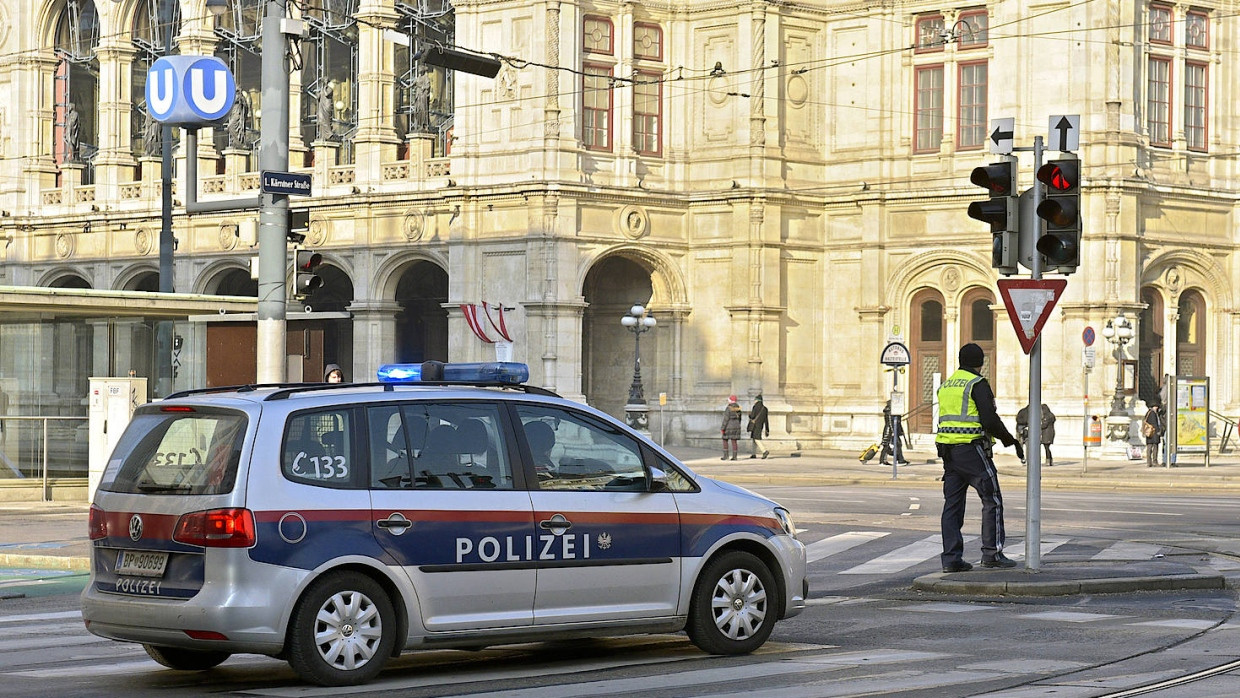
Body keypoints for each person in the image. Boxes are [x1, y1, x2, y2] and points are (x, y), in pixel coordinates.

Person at [936, 343, 1024, 573]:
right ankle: (992, 554)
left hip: (948, 452)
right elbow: (989, 419)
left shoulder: (946, 385)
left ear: (960, 360)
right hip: (971, 450)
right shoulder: (977, 383)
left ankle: (951, 559)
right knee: (992, 499)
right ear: (981, 362)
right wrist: (1010, 441)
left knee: (952, 506)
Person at [1015, 403, 1057, 467]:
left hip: (1045, 434)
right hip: (1047, 434)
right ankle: (1048, 460)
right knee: (1044, 447)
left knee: (1045, 447)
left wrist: (1035, 426)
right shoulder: (1050, 415)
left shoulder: (1047, 416)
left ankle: (1047, 460)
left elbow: (1044, 425)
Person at [879, 399, 908, 466]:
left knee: (896, 445)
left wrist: (900, 431)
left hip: (892, 431)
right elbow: (890, 423)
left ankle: (900, 459)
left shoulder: (893, 411)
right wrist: (893, 432)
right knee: (888, 445)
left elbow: (898, 422)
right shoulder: (890, 412)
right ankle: (897, 460)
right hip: (890, 431)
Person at [747, 394, 770, 459]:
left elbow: (752, 416)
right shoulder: (765, 408)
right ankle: (753, 453)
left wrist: (749, 415)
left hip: (755, 425)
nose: (754, 401)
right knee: (754, 439)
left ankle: (764, 451)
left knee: (757, 439)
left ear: (757, 400)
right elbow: (766, 420)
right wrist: (767, 429)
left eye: (755, 399)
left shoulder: (755, 407)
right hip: (760, 425)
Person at [1143, 401, 1165, 467]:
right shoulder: (1153, 413)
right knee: (1155, 447)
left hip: (1150, 432)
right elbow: (1154, 423)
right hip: (1154, 432)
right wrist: (1159, 431)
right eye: (1156, 406)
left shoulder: (1148, 412)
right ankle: (1154, 461)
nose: (1157, 408)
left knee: (1149, 447)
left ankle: (1149, 462)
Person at [720, 395, 742, 460]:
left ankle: (726, 456)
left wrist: (723, 428)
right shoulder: (738, 408)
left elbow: (726, 419)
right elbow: (740, 419)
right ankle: (734, 456)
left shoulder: (728, 408)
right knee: (734, 441)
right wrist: (737, 425)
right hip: (736, 426)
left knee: (725, 440)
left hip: (728, 426)